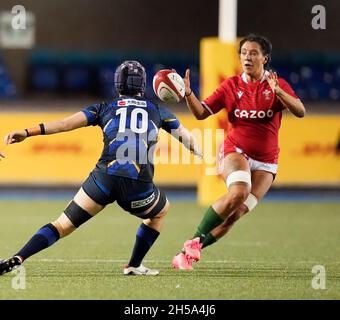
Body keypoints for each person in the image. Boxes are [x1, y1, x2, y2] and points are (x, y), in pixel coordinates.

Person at [0, 60, 202, 276]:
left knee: (62, 225)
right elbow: (188, 140)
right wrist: (201, 153)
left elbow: (64, 124)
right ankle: (134, 265)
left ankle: (19, 257)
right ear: (143, 84)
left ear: (117, 84)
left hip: (103, 179)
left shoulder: (104, 108)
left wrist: (27, 132)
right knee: (160, 211)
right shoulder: (159, 111)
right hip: (138, 186)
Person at [172, 34, 306, 269]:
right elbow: (201, 113)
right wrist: (188, 94)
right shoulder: (231, 85)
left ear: (265, 58)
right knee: (239, 192)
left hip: (267, 161)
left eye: (253, 53)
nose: (247, 57)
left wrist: (279, 93)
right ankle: (194, 239)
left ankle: (187, 252)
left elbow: (300, 111)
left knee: (236, 214)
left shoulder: (277, 84)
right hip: (236, 150)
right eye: (244, 52)